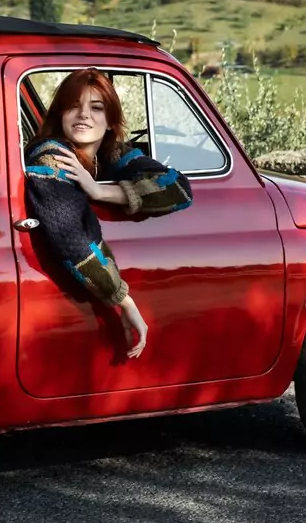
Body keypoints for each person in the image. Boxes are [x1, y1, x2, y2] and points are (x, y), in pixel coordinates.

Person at [24, 67, 193, 359]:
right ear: (60, 114)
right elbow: (73, 240)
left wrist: (101, 191)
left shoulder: (108, 154)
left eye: (96, 107)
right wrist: (125, 301)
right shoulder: (53, 157)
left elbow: (178, 189)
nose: (84, 115)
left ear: (111, 120)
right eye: (73, 106)